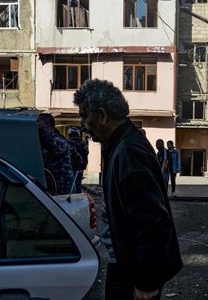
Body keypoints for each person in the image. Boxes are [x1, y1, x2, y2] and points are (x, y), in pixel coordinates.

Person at [73, 79, 182, 300]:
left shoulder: (129, 151)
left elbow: (152, 222)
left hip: (133, 273)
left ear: (102, 116)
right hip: (126, 264)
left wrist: (146, 282)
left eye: (85, 116)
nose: (83, 124)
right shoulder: (120, 144)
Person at [37, 113, 74, 195]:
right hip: (50, 187)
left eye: (38, 122)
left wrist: (38, 131)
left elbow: (53, 146)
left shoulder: (59, 140)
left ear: (46, 124)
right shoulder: (43, 142)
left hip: (62, 188)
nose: (36, 124)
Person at [67, 126, 89, 194]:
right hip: (81, 168)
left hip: (72, 168)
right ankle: (79, 197)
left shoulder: (69, 143)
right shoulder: (83, 144)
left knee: (71, 186)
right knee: (78, 184)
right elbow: (87, 152)